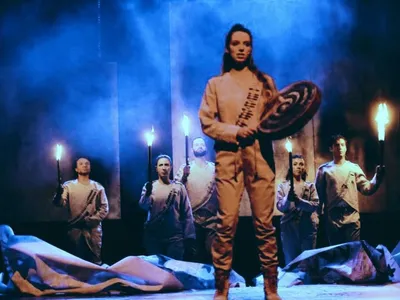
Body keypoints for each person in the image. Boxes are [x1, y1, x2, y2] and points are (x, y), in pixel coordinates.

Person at [199, 23, 281, 300]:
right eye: (236, 43)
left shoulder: (264, 82)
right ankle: (221, 287)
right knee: (226, 222)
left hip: (261, 158)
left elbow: (280, 119)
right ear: (228, 47)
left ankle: (271, 286)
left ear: (251, 48)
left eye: (246, 44)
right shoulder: (216, 84)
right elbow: (207, 122)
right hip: (228, 158)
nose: (242, 48)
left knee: (265, 224)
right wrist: (235, 131)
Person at [315, 134, 385, 245]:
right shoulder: (324, 170)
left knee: (354, 252)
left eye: (342, 145)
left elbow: (367, 188)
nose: (340, 147)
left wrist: (377, 177)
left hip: (351, 216)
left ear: (346, 147)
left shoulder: (353, 168)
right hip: (333, 218)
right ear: (331, 148)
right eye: (336, 145)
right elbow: (319, 197)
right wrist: (317, 217)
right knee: (337, 253)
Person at [53, 157, 109, 265]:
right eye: (81, 164)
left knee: (95, 260)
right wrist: (58, 194)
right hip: (75, 229)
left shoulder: (98, 187)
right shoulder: (68, 186)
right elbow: (60, 204)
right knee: (76, 260)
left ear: (90, 167)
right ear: (76, 169)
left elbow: (104, 208)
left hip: (93, 229)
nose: (84, 165)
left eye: (87, 163)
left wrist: (92, 220)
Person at [139, 154, 196, 261]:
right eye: (161, 165)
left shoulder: (178, 187)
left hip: (175, 238)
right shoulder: (150, 186)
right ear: (156, 168)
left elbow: (187, 213)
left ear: (171, 167)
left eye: (166, 165)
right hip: (155, 237)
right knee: (156, 270)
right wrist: (147, 193)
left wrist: (189, 236)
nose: (164, 168)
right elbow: (143, 206)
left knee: (174, 269)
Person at [174, 137, 218, 263]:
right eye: (196, 144)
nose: (199, 146)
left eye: (202, 144)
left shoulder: (214, 169)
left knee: (213, 254)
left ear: (205, 148)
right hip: (192, 218)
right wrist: (184, 176)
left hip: (212, 218)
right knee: (195, 255)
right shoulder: (185, 168)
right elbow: (176, 191)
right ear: (192, 149)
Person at [276, 154, 319, 266]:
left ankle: (307, 281)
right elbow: (280, 206)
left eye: (301, 164)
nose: (298, 167)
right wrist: (287, 199)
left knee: (308, 261)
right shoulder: (283, 187)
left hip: (307, 226)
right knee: (291, 260)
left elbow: (315, 205)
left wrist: (300, 202)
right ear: (291, 167)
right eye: (295, 164)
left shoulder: (310, 186)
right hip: (289, 227)